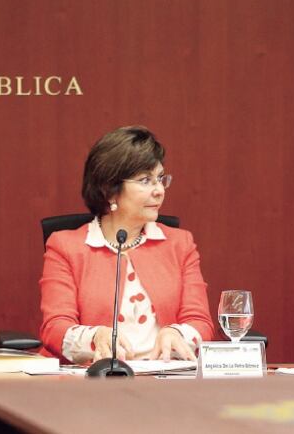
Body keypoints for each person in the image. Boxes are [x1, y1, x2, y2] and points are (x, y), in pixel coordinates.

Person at [39, 126, 214, 363]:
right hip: (92, 384)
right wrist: (96, 337)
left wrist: (176, 333)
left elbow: (200, 321)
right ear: (110, 191)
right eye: (145, 180)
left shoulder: (179, 244)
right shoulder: (66, 247)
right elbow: (55, 327)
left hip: (164, 381)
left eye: (161, 179)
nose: (159, 190)